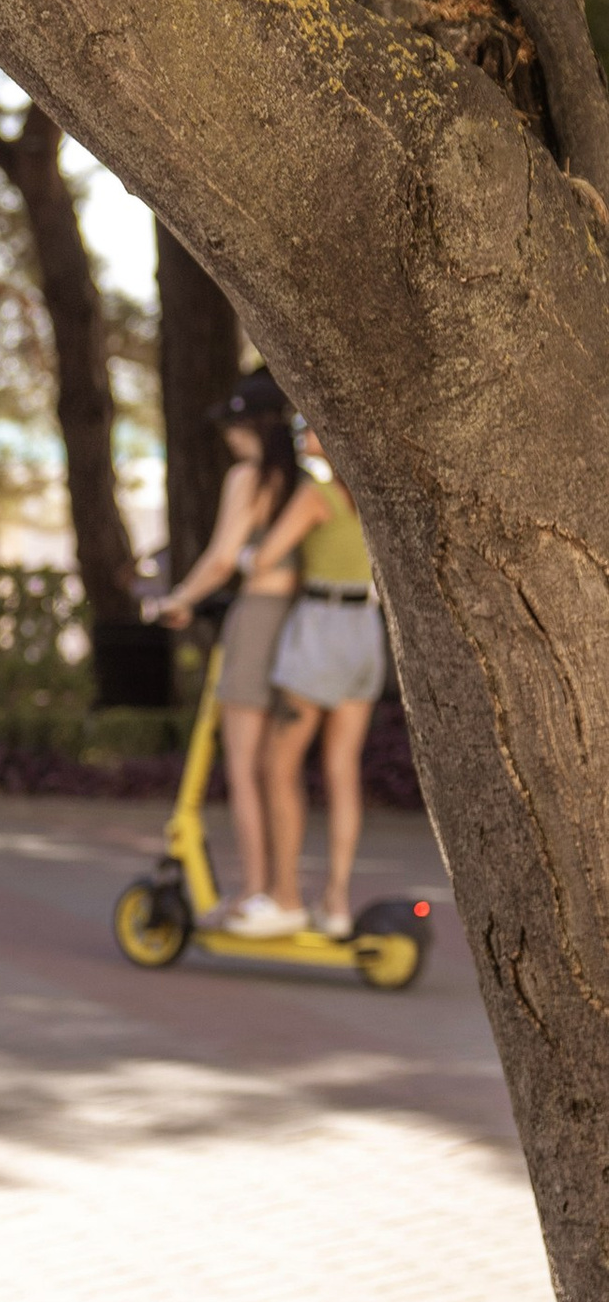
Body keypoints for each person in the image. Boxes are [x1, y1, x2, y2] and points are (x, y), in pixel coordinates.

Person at [150, 370, 306, 915]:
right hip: (299, 622)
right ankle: (283, 893)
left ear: (253, 428)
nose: (230, 437)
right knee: (277, 769)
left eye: (236, 426)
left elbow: (222, 557)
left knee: (242, 764)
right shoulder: (303, 481)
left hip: (257, 618)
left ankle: (256, 892)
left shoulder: (249, 476)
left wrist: (180, 600)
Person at [235, 449, 386, 940]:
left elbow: (265, 557)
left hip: (321, 632)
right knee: (342, 770)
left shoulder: (316, 496)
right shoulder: (374, 498)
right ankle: (336, 902)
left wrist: (243, 555)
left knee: (277, 766)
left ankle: (286, 898)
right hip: (366, 631)